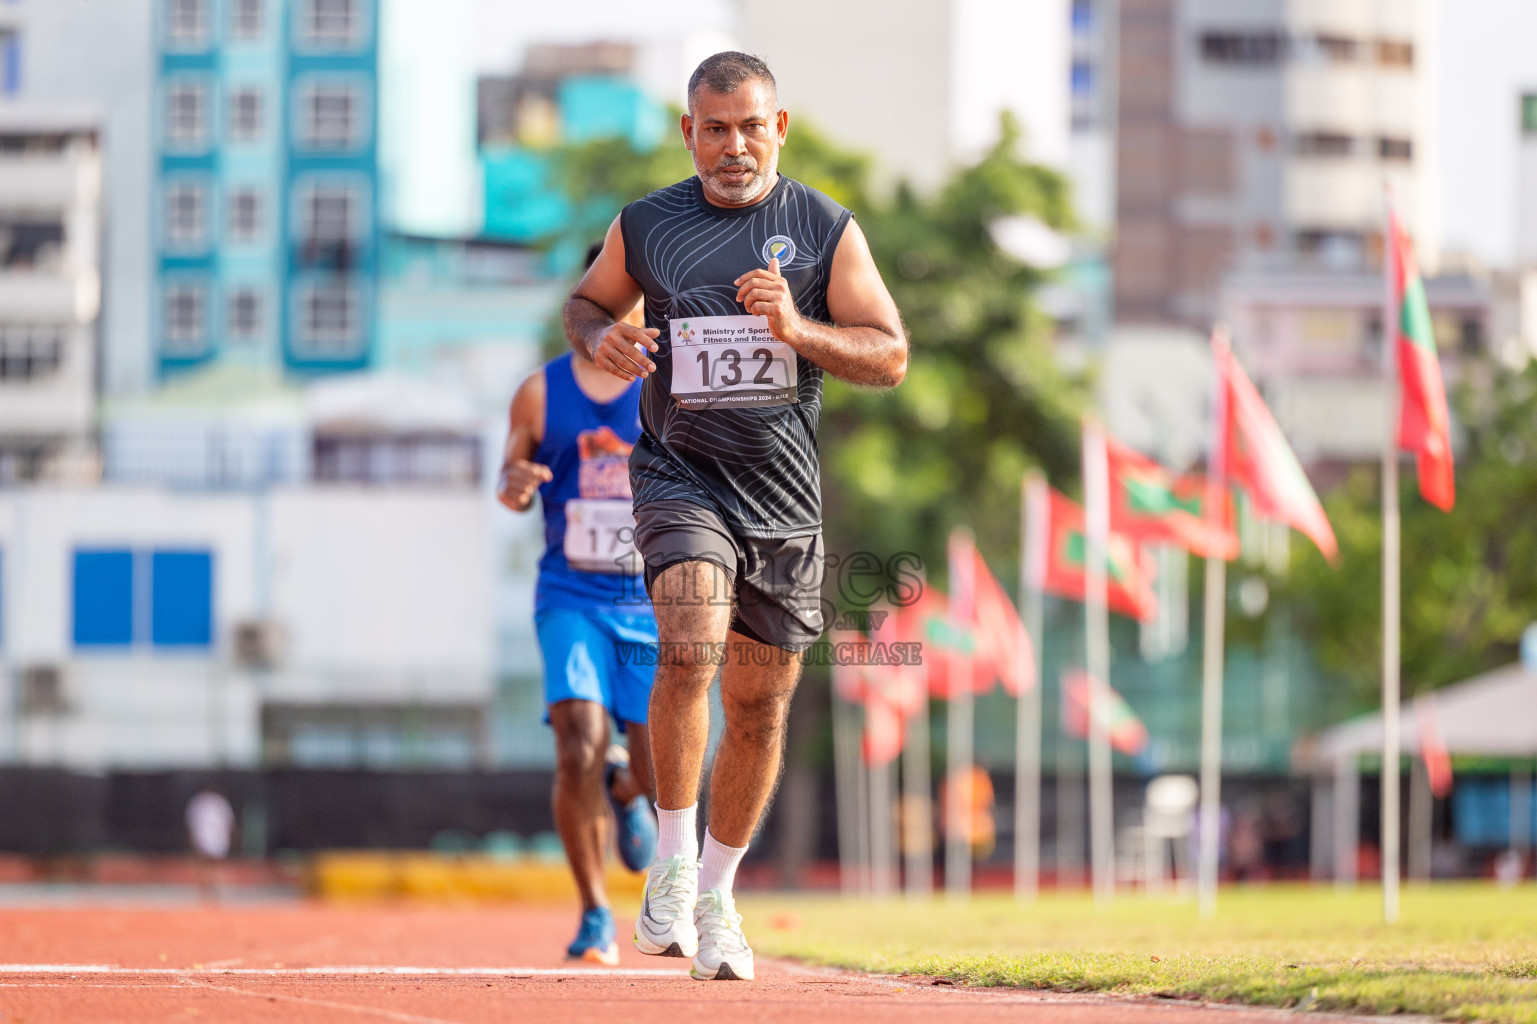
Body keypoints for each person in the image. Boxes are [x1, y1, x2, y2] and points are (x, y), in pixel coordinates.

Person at [563, 51, 906, 981]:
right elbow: (586, 304)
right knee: (689, 643)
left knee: (758, 706)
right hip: (681, 477)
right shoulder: (648, 224)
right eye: (714, 128)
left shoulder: (824, 229)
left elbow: (888, 354)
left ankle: (716, 899)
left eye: (750, 126)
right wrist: (607, 335)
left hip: (784, 507)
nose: (733, 146)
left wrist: (798, 332)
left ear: (778, 128)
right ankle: (669, 866)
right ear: (689, 134)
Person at [497, 248, 659, 966]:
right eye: (611, 292)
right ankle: (595, 912)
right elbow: (510, 475)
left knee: (662, 768)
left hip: (654, 602)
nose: (624, 306)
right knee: (577, 740)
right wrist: (516, 482)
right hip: (570, 595)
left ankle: (629, 790)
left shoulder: (672, 389)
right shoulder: (540, 392)